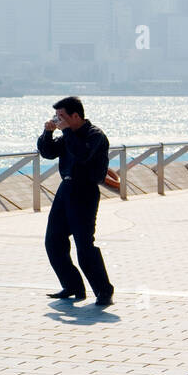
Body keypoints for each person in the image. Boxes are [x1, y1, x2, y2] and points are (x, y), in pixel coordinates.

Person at [36, 96, 115, 308]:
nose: (58, 119)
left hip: (85, 191)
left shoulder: (95, 135)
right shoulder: (66, 135)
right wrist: (48, 132)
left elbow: (83, 154)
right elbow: (48, 153)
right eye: (56, 116)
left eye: (62, 116)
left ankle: (104, 290)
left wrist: (66, 131)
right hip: (66, 190)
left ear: (75, 116)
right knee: (53, 241)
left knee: (84, 246)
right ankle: (72, 286)